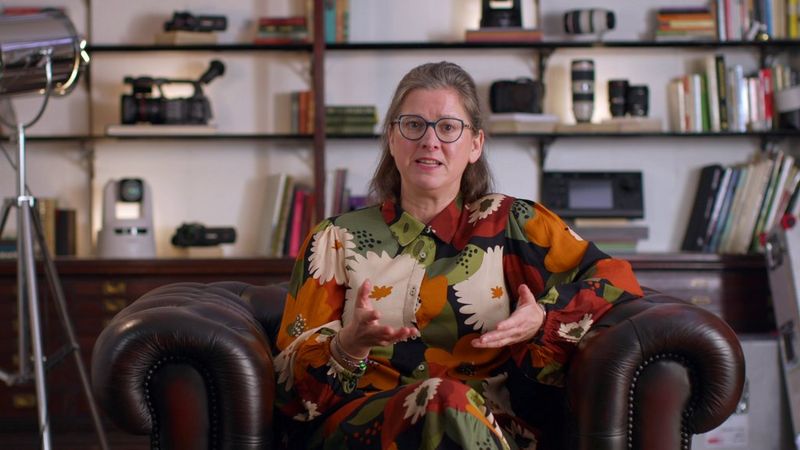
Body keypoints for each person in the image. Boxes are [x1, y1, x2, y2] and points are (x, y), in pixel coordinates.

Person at [274, 61, 643, 449]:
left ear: (475, 145)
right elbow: (288, 390)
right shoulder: (336, 238)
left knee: (448, 401)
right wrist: (348, 345)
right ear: (392, 138)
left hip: (488, 430)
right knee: (439, 398)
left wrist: (543, 317)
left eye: (448, 127)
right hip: (365, 430)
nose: (429, 141)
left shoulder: (514, 223)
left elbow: (615, 278)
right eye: (413, 125)